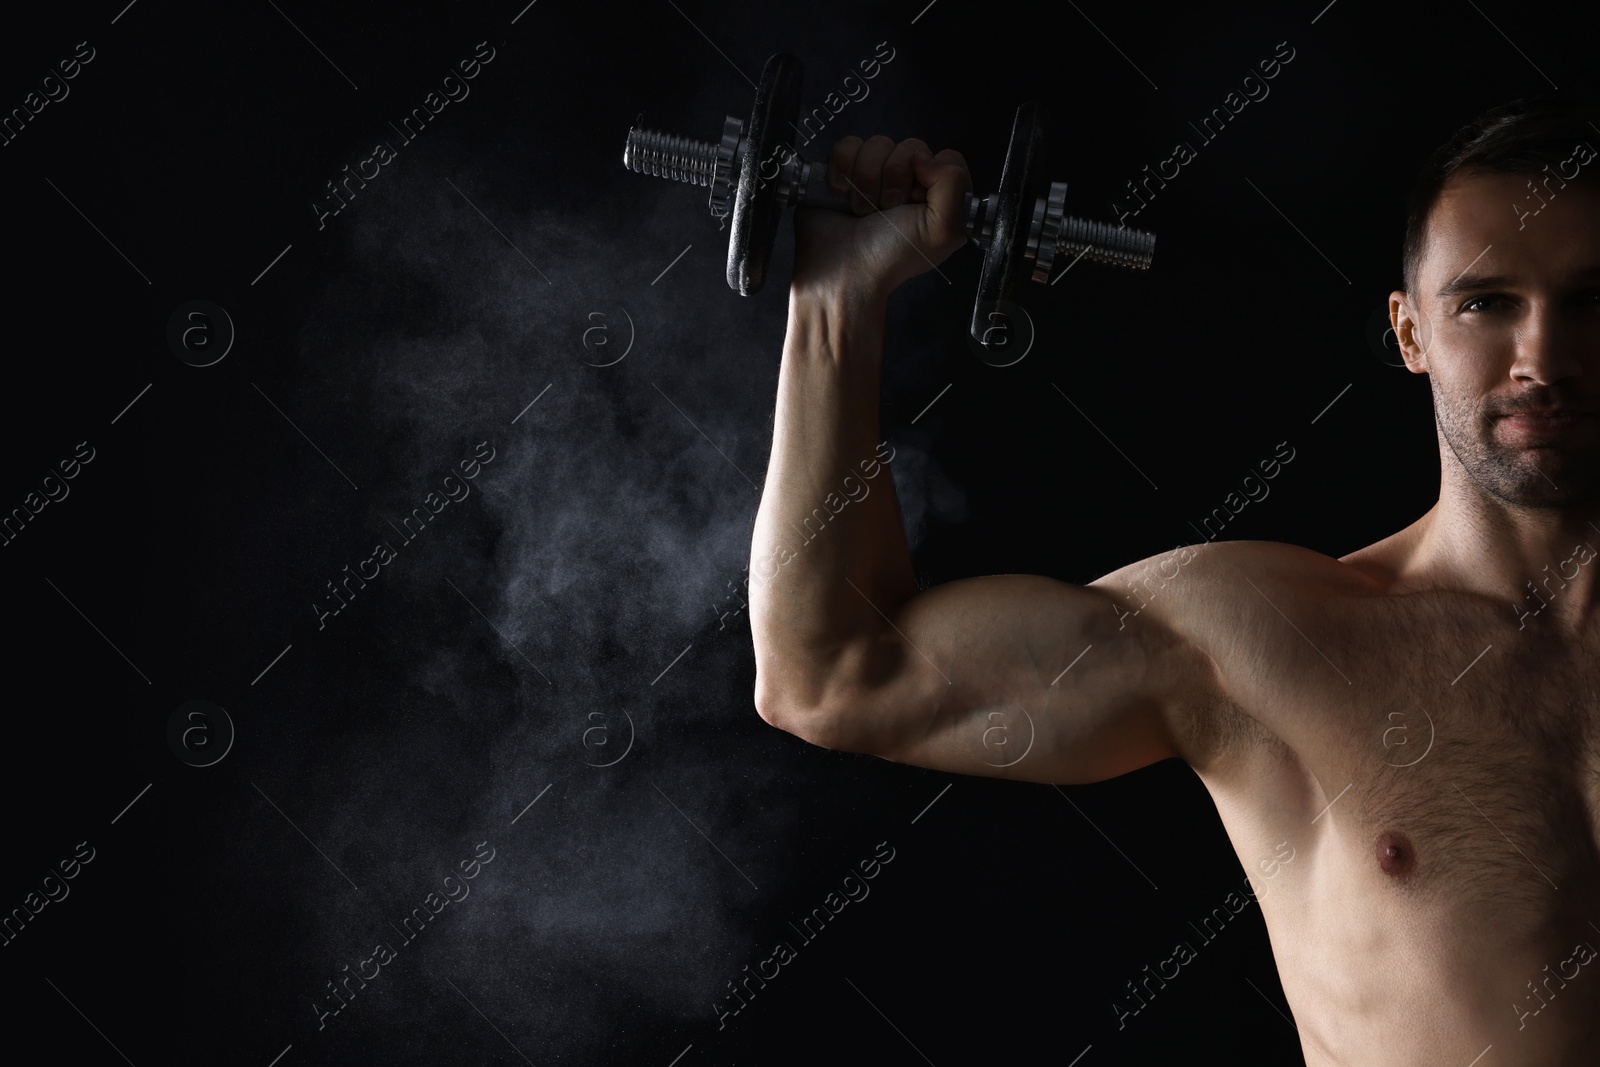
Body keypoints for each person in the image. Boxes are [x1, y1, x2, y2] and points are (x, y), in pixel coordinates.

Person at [747, 96, 1600, 1064]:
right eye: (1486, 303)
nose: (1541, 359)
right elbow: (830, 670)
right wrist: (833, 304)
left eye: (1590, 301)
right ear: (1409, 333)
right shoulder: (1262, 636)